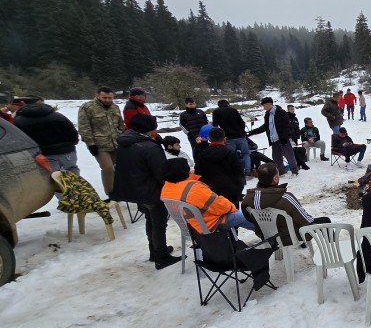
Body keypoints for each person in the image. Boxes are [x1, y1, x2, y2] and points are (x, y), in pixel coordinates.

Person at [109, 114, 180, 269]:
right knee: (159, 224)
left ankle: (154, 251)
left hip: (135, 189)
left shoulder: (126, 142)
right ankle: (161, 256)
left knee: (150, 220)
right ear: (150, 128)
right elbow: (161, 173)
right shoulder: (150, 147)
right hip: (150, 190)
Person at [241, 163, 331, 247]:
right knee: (325, 220)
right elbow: (305, 220)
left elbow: (249, 218)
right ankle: (332, 252)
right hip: (288, 238)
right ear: (275, 179)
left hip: (267, 237)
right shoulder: (285, 198)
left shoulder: (248, 198)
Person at [160, 157, 256, 232]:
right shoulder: (193, 188)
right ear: (182, 171)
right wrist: (232, 207)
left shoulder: (167, 187)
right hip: (207, 223)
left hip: (190, 224)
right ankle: (267, 234)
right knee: (244, 217)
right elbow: (222, 207)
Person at [78, 86, 125, 196]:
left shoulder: (115, 107)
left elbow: (121, 125)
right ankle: (111, 192)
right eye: (105, 98)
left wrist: (123, 137)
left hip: (116, 143)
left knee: (119, 167)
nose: (108, 100)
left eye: (110, 98)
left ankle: (120, 188)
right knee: (108, 168)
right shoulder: (87, 107)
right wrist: (91, 144)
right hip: (100, 145)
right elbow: (84, 127)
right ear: (98, 95)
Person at [14, 100, 81, 174]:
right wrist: (73, 142)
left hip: (43, 155)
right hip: (67, 152)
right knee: (72, 174)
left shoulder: (19, 121)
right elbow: (72, 132)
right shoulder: (58, 116)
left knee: (52, 177)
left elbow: (18, 140)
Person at [194, 127, 246, 207]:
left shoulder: (202, 155)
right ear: (224, 139)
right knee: (233, 216)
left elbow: (198, 175)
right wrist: (238, 190)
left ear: (209, 139)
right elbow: (239, 173)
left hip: (211, 194)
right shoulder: (231, 154)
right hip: (231, 192)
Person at [248, 96, 300, 176]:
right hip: (273, 139)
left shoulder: (281, 112)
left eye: (264, 105)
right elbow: (265, 127)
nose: (264, 107)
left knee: (289, 156)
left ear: (269, 104)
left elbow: (287, 126)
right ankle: (281, 172)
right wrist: (251, 132)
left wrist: (284, 137)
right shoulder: (267, 114)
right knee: (276, 157)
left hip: (282, 139)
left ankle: (294, 171)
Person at [212, 99, 251, 175]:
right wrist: (241, 131)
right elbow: (242, 123)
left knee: (231, 155)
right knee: (246, 154)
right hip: (240, 136)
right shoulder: (233, 110)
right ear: (227, 104)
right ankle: (247, 170)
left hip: (228, 137)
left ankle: (235, 171)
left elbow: (215, 126)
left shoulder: (216, 112)